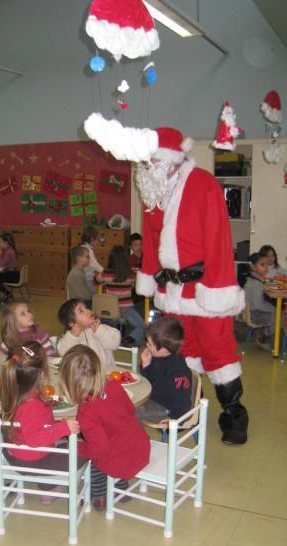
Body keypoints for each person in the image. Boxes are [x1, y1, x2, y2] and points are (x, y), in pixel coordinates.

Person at [135, 127, 248, 445]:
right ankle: (184, 410)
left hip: (205, 289)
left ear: (169, 159)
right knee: (179, 354)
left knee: (218, 353)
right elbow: (151, 241)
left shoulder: (203, 185)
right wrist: (151, 281)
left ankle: (235, 415)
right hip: (172, 293)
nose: (145, 169)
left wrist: (216, 290)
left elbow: (218, 241)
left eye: (150, 162)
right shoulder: (153, 191)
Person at [60, 346, 150, 510]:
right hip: (140, 447)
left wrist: (80, 448)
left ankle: (100, 497)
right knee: (115, 441)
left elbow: (99, 448)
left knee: (97, 459)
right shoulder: (113, 385)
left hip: (121, 460)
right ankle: (121, 490)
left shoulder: (87, 412)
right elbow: (130, 410)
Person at [0, 341, 80, 503]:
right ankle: (48, 489)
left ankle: (47, 482)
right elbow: (34, 439)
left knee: (62, 441)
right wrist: (62, 428)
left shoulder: (14, 393)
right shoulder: (32, 405)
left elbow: (32, 429)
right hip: (30, 460)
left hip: (15, 453)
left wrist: (56, 430)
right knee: (83, 449)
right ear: (42, 374)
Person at [137, 317, 192, 423]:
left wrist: (173, 421)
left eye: (150, 344)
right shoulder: (157, 356)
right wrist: (146, 365)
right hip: (152, 398)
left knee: (129, 411)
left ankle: (135, 437)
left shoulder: (177, 371)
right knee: (123, 401)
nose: (146, 345)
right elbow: (149, 381)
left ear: (165, 350)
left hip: (167, 408)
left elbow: (183, 403)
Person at [100, 245, 145, 346]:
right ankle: (130, 339)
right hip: (126, 309)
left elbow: (96, 281)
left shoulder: (105, 273)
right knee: (141, 326)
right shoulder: (131, 275)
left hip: (109, 310)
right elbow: (136, 289)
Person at [57, 299, 121, 370]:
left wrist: (100, 331)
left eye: (86, 308)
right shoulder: (70, 338)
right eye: (81, 311)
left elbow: (114, 344)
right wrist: (73, 335)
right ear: (71, 323)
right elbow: (63, 353)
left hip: (106, 373)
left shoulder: (100, 328)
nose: (88, 311)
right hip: (82, 376)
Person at [244, 253, 277, 343]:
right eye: (262, 265)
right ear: (254, 268)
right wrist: (274, 308)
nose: (266, 267)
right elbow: (259, 305)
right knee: (279, 315)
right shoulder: (256, 283)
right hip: (255, 315)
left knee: (276, 310)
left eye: (267, 264)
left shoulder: (253, 278)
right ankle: (264, 335)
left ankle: (258, 332)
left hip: (252, 311)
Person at [0, 232, 19, 303]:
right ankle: (8, 294)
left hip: (12, 275)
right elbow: (1, 263)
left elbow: (2, 264)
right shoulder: (7, 251)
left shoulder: (9, 252)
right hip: (10, 274)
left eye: (0, 242)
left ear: (6, 243)